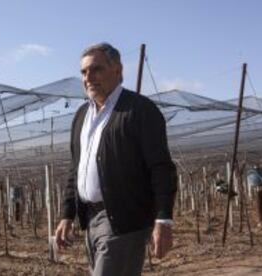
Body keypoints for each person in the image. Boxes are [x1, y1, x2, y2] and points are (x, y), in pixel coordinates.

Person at [55, 42, 177, 276]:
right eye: (83, 72)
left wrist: (163, 220)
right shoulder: (82, 115)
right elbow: (76, 169)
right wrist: (67, 215)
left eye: (96, 69)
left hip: (124, 219)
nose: (88, 77)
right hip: (90, 219)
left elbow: (161, 168)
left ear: (118, 71)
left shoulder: (139, 110)